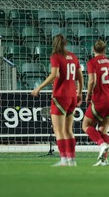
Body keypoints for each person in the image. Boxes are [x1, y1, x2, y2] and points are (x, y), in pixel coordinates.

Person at [31, 34, 83, 166]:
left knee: (59, 131)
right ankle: (72, 160)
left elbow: (54, 74)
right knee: (69, 130)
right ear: (66, 43)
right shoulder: (73, 57)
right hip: (72, 96)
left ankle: (64, 160)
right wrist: (80, 92)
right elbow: (80, 76)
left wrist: (39, 88)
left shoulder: (56, 57)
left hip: (60, 96)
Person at [82, 40, 109, 166]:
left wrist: (88, 95)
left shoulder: (92, 62)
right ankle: (104, 160)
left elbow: (92, 80)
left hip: (101, 99)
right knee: (103, 130)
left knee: (86, 126)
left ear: (93, 50)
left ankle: (102, 144)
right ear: (105, 50)